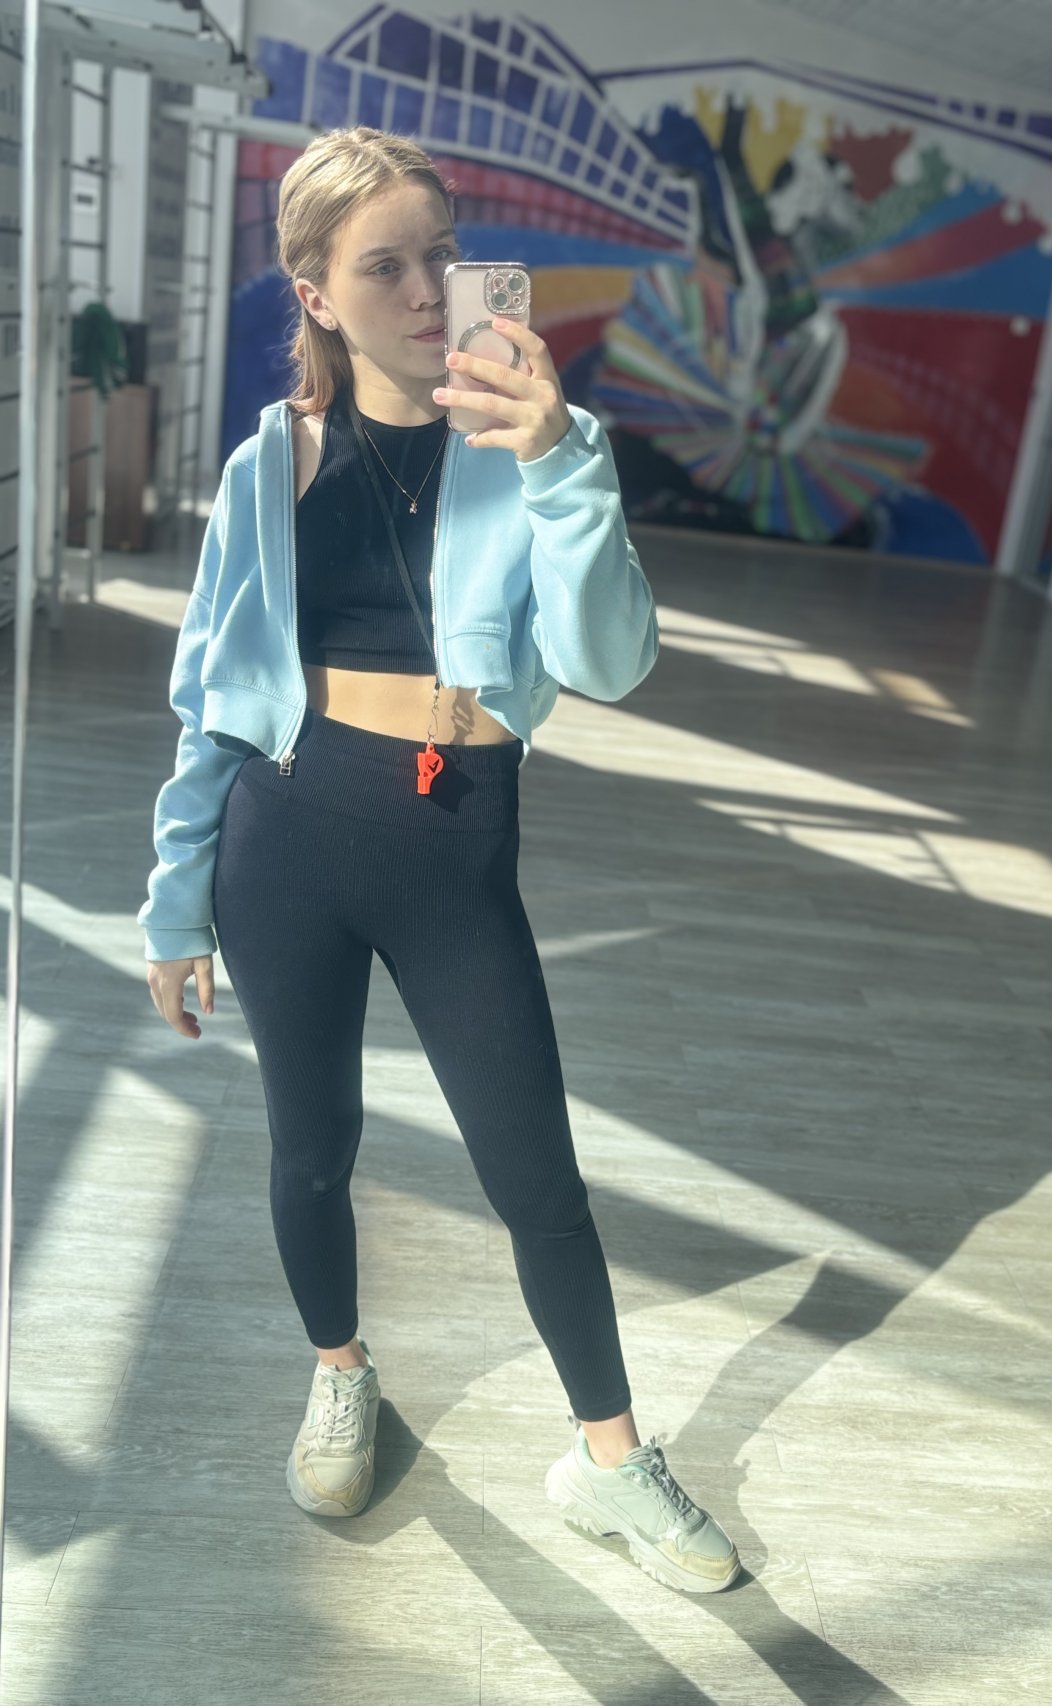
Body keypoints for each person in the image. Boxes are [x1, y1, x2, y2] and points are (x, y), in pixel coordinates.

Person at [137, 126, 738, 1595]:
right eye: (383, 266)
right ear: (318, 294)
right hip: (288, 835)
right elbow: (210, 699)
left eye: (442, 257)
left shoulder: (536, 450)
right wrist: (172, 903)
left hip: (457, 845)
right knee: (310, 1148)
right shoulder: (269, 465)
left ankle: (611, 1460)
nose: (424, 290)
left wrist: (562, 464)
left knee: (537, 1174)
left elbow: (611, 661)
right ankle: (341, 1373)